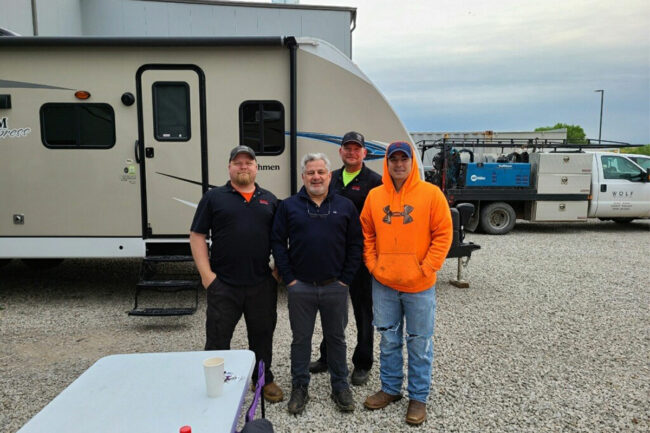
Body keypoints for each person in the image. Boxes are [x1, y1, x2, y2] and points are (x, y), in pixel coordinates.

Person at [360, 141, 453, 425]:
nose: (399, 164)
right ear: (386, 163)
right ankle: (390, 389)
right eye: (393, 159)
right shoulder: (375, 196)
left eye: (404, 159)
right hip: (384, 283)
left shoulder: (431, 194)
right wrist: (373, 264)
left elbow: (443, 234)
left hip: (419, 285)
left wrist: (428, 268)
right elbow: (367, 233)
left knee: (419, 342)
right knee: (388, 339)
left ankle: (418, 396)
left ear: (412, 162)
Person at [189, 145, 284, 403]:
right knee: (218, 338)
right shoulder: (214, 198)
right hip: (224, 284)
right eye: (238, 162)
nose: (243, 166)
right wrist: (207, 276)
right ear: (229, 167)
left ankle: (262, 379)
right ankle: (215, 382)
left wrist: (277, 272)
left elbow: (282, 239)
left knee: (262, 337)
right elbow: (197, 235)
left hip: (261, 284)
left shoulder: (270, 200)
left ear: (256, 167)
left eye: (248, 162)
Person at [271, 153, 363, 414]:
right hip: (301, 288)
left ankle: (340, 386)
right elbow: (278, 242)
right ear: (303, 177)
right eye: (311, 172)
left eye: (321, 172)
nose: (316, 177)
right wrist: (289, 278)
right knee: (301, 340)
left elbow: (356, 244)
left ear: (329, 175)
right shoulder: (289, 206)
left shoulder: (345, 206)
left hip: (336, 286)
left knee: (337, 338)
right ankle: (300, 387)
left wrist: (346, 279)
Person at [309, 131, 382, 386]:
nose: (351, 152)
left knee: (363, 312)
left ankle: (363, 362)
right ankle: (327, 356)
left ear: (365, 152)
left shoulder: (375, 181)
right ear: (340, 152)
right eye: (347, 148)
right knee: (332, 310)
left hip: (361, 258)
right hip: (333, 257)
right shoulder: (332, 178)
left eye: (356, 148)